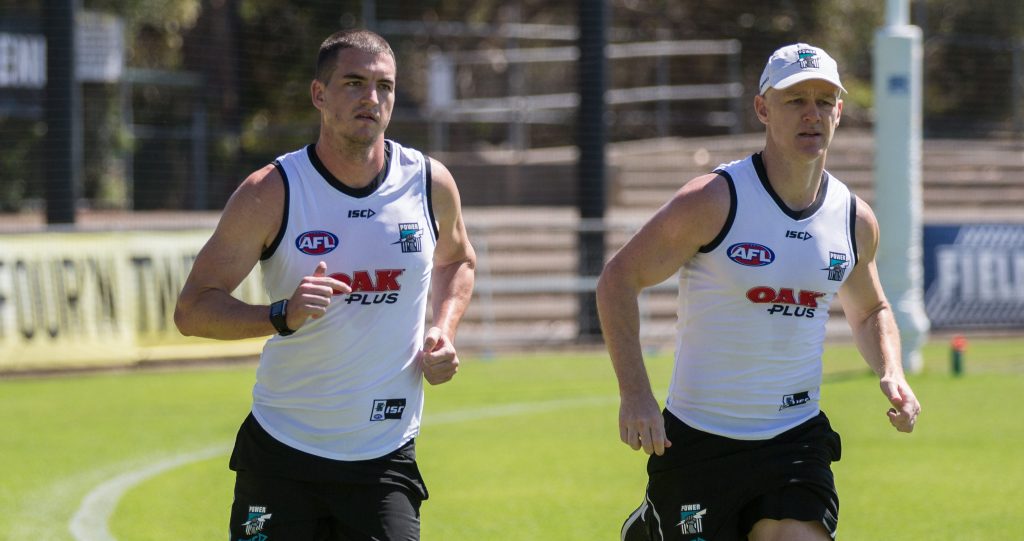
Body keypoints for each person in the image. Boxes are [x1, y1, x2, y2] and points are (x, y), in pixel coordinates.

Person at [596, 43, 921, 541]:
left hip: (795, 442)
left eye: (824, 100)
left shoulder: (854, 221)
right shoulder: (713, 199)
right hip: (700, 442)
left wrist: (891, 369)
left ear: (839, 110)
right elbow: (619, 279)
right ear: (763, 108)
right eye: (795, 100)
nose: (812, 114)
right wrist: (635, 393)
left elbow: (870, 308)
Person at [174, 29, 476, 540]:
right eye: (354, 83)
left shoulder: (428, 183)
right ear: (319, 95)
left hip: (384, 460)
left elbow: (458, 261)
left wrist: (443, 330)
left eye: (384, 86)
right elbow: (193, 310)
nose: (371, 98)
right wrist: (279, 315)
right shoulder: (271, 191)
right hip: (281, 455)